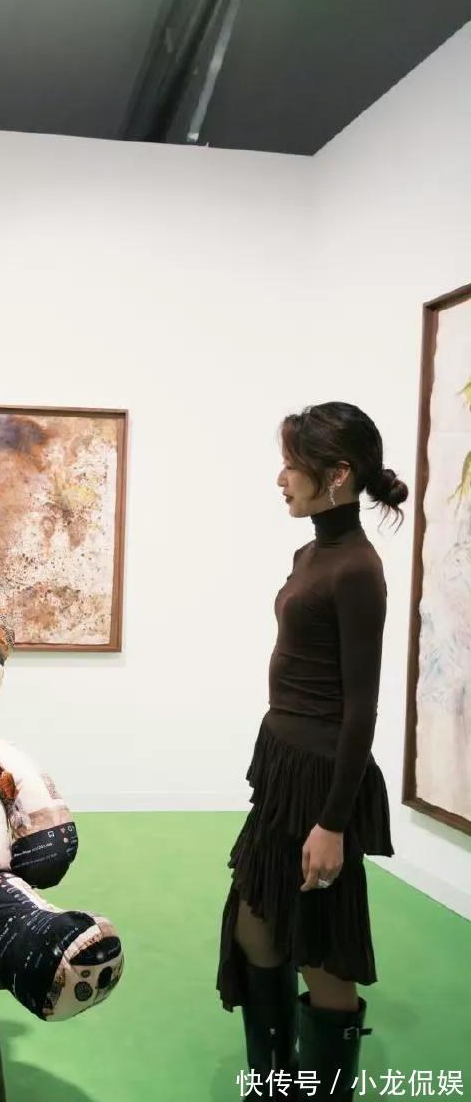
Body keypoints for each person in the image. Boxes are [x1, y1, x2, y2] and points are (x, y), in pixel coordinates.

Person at [217, 401, 408, 1099]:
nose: (281, 479)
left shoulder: (358, 568)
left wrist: (332, 822)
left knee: (320, 948)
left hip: (323, 777)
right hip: (283, 766)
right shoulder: (310, 554)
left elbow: (362, 707)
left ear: (337, 474)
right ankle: (273, 1083)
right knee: (256, 925)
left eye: (291, 465)